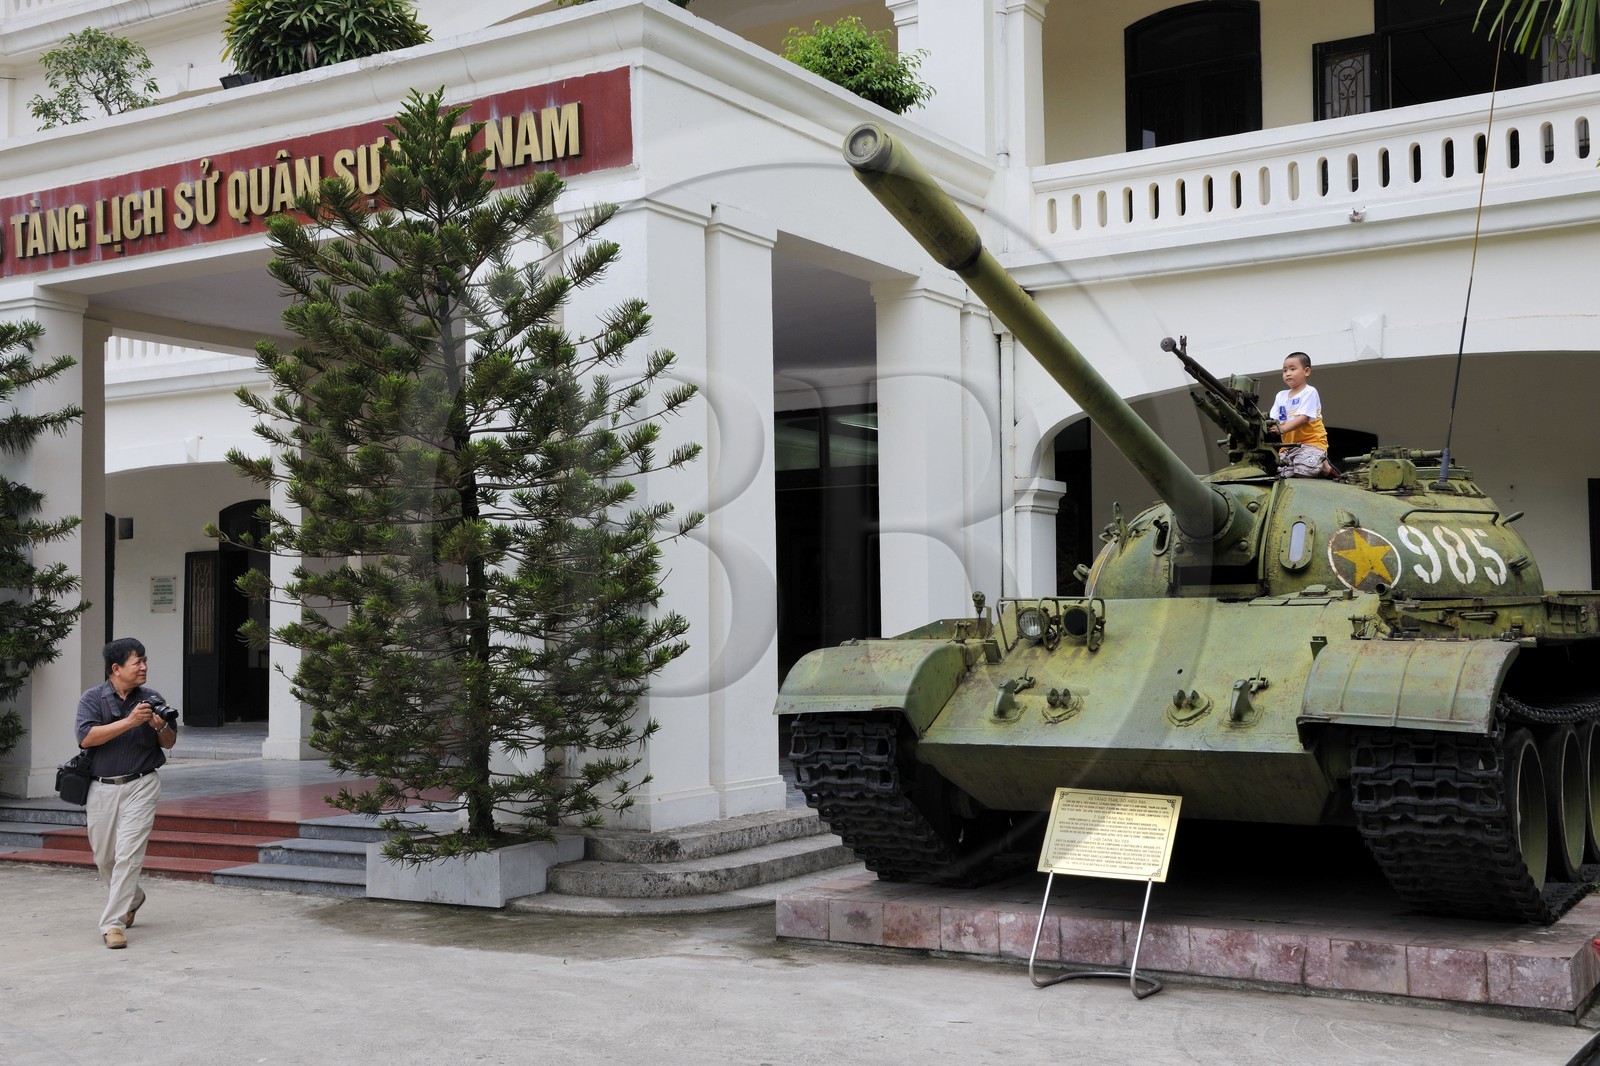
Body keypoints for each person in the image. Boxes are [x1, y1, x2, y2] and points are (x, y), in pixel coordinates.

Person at [74, 637, 177, 949]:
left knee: (128, 855)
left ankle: (113, 924)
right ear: (116, 669)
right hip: (102, 787)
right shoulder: (92, 698)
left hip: (142, 783)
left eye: (145, 661)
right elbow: (86, 738)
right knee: (104, 857)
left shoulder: (151, 697)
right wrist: (130, 722)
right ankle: (134, 897)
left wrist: (160, 726)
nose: (144, 667)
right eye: (138, 662)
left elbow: (169, 743)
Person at [1267, 352, 1336, 479]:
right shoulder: (1280, 395)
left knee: (1303, 473)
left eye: (1292, 369)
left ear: (1307, 371)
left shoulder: (1309, 392)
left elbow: (1303, 418)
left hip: (1311, 443)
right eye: (1284, 370)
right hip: (1288, 447)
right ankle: (1321, 463)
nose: (1287, 373)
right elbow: (1272, 419)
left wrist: (1281, 429)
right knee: (1283, 478)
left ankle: (1326, 468)